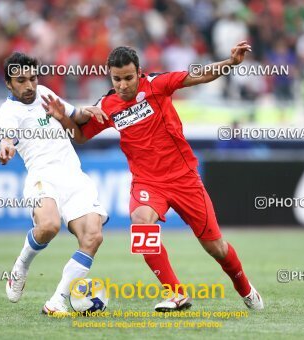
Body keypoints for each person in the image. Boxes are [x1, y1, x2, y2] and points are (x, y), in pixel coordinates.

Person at [43, 41, 264, 312]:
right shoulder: (107, 105)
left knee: (215, 247)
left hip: (184, 179)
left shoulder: (158, 85)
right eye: (117, 79)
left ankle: (245, 288)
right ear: (110, 77)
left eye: (128, 78)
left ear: (139, 73)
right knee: (140, 224)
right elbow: (80, 136)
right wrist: (63, 118)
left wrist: (229, 63)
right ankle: (176, 294)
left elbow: (199, 75)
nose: (123, 85)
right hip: (147, 182)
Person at [0, 52, 109, 317]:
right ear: (8, 84)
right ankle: (21, 265)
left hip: (74, 178)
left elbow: (73, 115)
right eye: (21, 80)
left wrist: (86, 111)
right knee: (48, 226)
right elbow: (6, 138)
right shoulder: (8, 112)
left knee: (93, 237)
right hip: (42, 178)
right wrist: (6, 147)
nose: (29, 86)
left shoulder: (44, 93)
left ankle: (57, 301)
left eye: (33, 78)